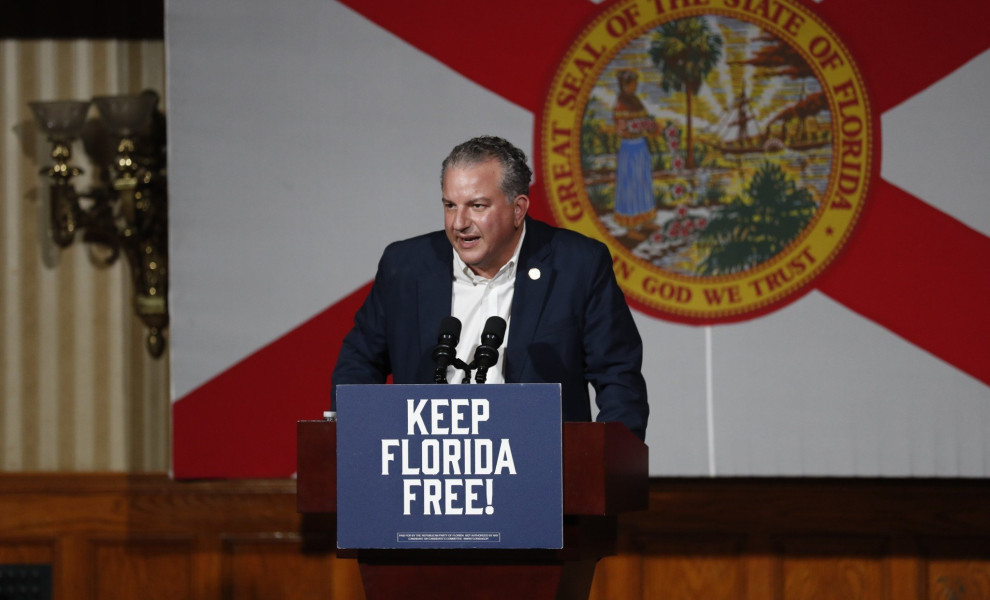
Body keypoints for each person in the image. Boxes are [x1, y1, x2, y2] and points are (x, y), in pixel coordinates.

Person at [331, 136, 649, 439]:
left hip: (540, 466)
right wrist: (358, 442)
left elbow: (617, 375)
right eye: (450, 205)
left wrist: (605, 466)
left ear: (518, 209)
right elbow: (358, 363)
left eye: (477, 206)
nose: (459, 223)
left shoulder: (577, 265)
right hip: (430, 469)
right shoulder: (406, 266)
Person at [613, 69, 658, 230]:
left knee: (643, 182)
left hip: (641, 146)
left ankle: (646, 220)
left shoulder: (636, 101)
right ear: (625, 85)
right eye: (633, 84)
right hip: (629, 148)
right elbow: (621, 129)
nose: (635, 86)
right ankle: (630, 228)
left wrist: (651, 127)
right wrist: (634, 130)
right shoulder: (620, 103)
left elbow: (645, 120)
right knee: (630, 185)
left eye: (636, 84)